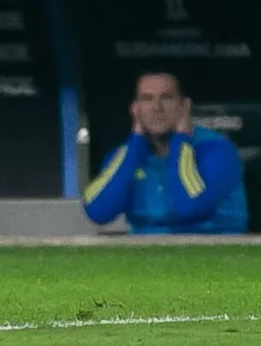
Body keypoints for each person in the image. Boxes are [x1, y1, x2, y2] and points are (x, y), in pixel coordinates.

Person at [80, 72, 246, 233]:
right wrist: (135, 143)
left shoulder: (216, 149)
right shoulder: (126, 154)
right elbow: (98, 211)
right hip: (146, 252)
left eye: (166, 98)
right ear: (135, 109)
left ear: (184, 106)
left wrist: (181, 142)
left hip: (211, 249)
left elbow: (187, 208)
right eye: (147, 99)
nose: (157, 108)